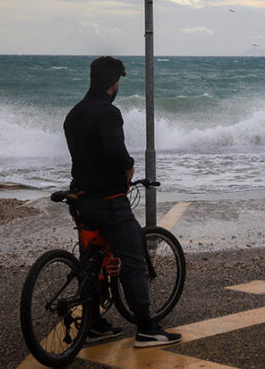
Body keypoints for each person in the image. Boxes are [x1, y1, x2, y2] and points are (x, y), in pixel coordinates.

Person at [63, 56, 181, 348]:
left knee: (93, 261)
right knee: (133, 260)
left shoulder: (74, 114)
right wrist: (128, 167)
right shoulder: (108, 113)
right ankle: (146, 329)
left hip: (80, 198)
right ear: (114, 84)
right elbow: (115, 151)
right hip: (109, 201)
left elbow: (83, 156)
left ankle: (93, 324)